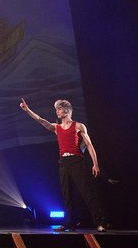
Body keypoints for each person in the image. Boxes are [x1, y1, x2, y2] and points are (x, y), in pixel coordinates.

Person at [20, 98, 108, 232]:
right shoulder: (57, 127)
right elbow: (41, 120)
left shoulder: (79, 126)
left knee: (87, 193)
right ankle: (68, 224)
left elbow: (89, 145)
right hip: (64, 163)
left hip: (76, 161)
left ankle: (100, 223)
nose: (57, 112)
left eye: (59, 109)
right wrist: (28, 110)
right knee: (67, 194)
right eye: (56, 109)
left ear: (67, 111)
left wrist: (95, 164)